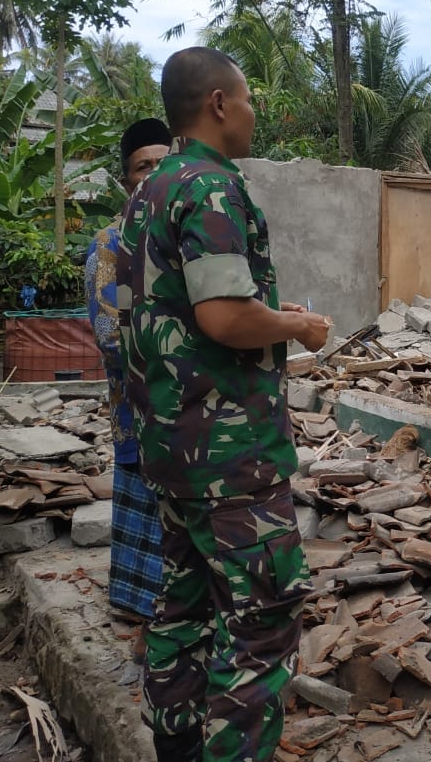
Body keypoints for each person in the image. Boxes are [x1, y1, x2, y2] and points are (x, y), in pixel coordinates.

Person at [116, 47, 330, 762]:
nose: (252, 111)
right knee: (264, 620)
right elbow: (224, 318)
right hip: (227, 452)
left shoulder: (148, 192)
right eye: (247, 98)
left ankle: (174, 746)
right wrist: (296, 325)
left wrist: (264, 311)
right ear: (216, 104)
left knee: (184, 601)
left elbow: (188, 307)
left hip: (171, 447)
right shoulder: (210, 188)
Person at [84, 117, 171, 627]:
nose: (155, 174)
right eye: (144, 166)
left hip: (189, 417)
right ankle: (143, 614)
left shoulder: (183, 239)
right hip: (139, 410)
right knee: (145, 510)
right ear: (127, 180)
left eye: (163, 163)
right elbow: (112, 334)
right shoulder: (111, 248)